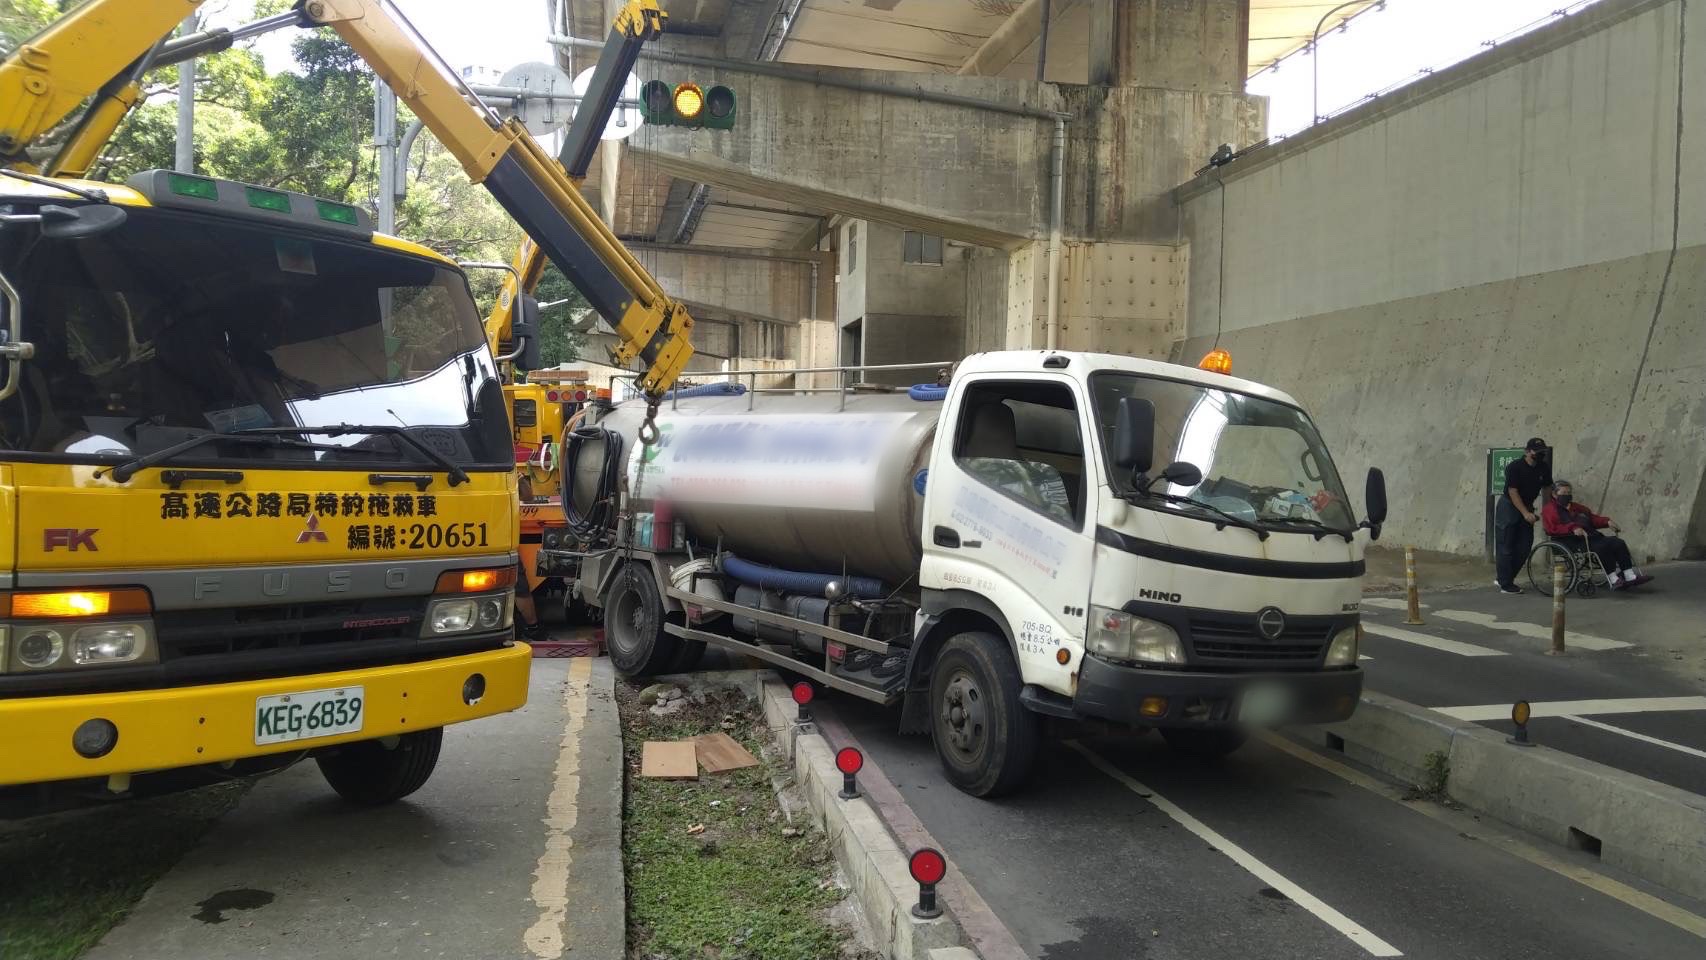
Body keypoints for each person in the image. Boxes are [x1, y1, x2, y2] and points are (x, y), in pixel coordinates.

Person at [1542, 481, 1652, 589]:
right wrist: (1572, 528)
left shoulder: (1577, 507)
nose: (1567, 495)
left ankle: (1629, 575)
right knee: (1601, 547)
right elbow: (1552, 529)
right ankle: (1613, 578)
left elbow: (1592, 519)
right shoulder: (1550, 509)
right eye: (1564, 493)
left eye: (1569, 493)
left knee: (1617, 543)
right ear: (1554, 494)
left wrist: (1607, 522)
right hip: (1569, 540)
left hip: (1590, 537)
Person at [1495, 437, 1553, 595]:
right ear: (1527, 451)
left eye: (1543, 452)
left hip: (1527, 505)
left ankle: (1504, 577)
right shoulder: (1515, 467)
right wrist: (1525, 513)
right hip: (1509, 506)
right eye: (1537, 452)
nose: (1540, 455)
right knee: (1506, 545)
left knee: (1525, 545)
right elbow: (1513, 492)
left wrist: (1547, 511)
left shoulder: (1543, 467)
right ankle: (1506, 584)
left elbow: (1547, 489)